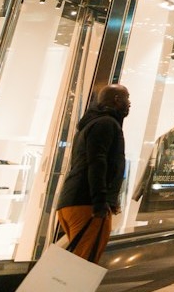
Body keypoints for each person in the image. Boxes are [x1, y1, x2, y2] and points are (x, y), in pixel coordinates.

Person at [56, 84, 130, 263]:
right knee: (82, 265)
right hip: (87, 204)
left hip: (73, 201)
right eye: (127, 98)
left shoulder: (91, 124)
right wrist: (100, 201)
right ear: (116, 99)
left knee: (76, 261)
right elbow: (97, 163)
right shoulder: (106, 123)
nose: (129, 103)